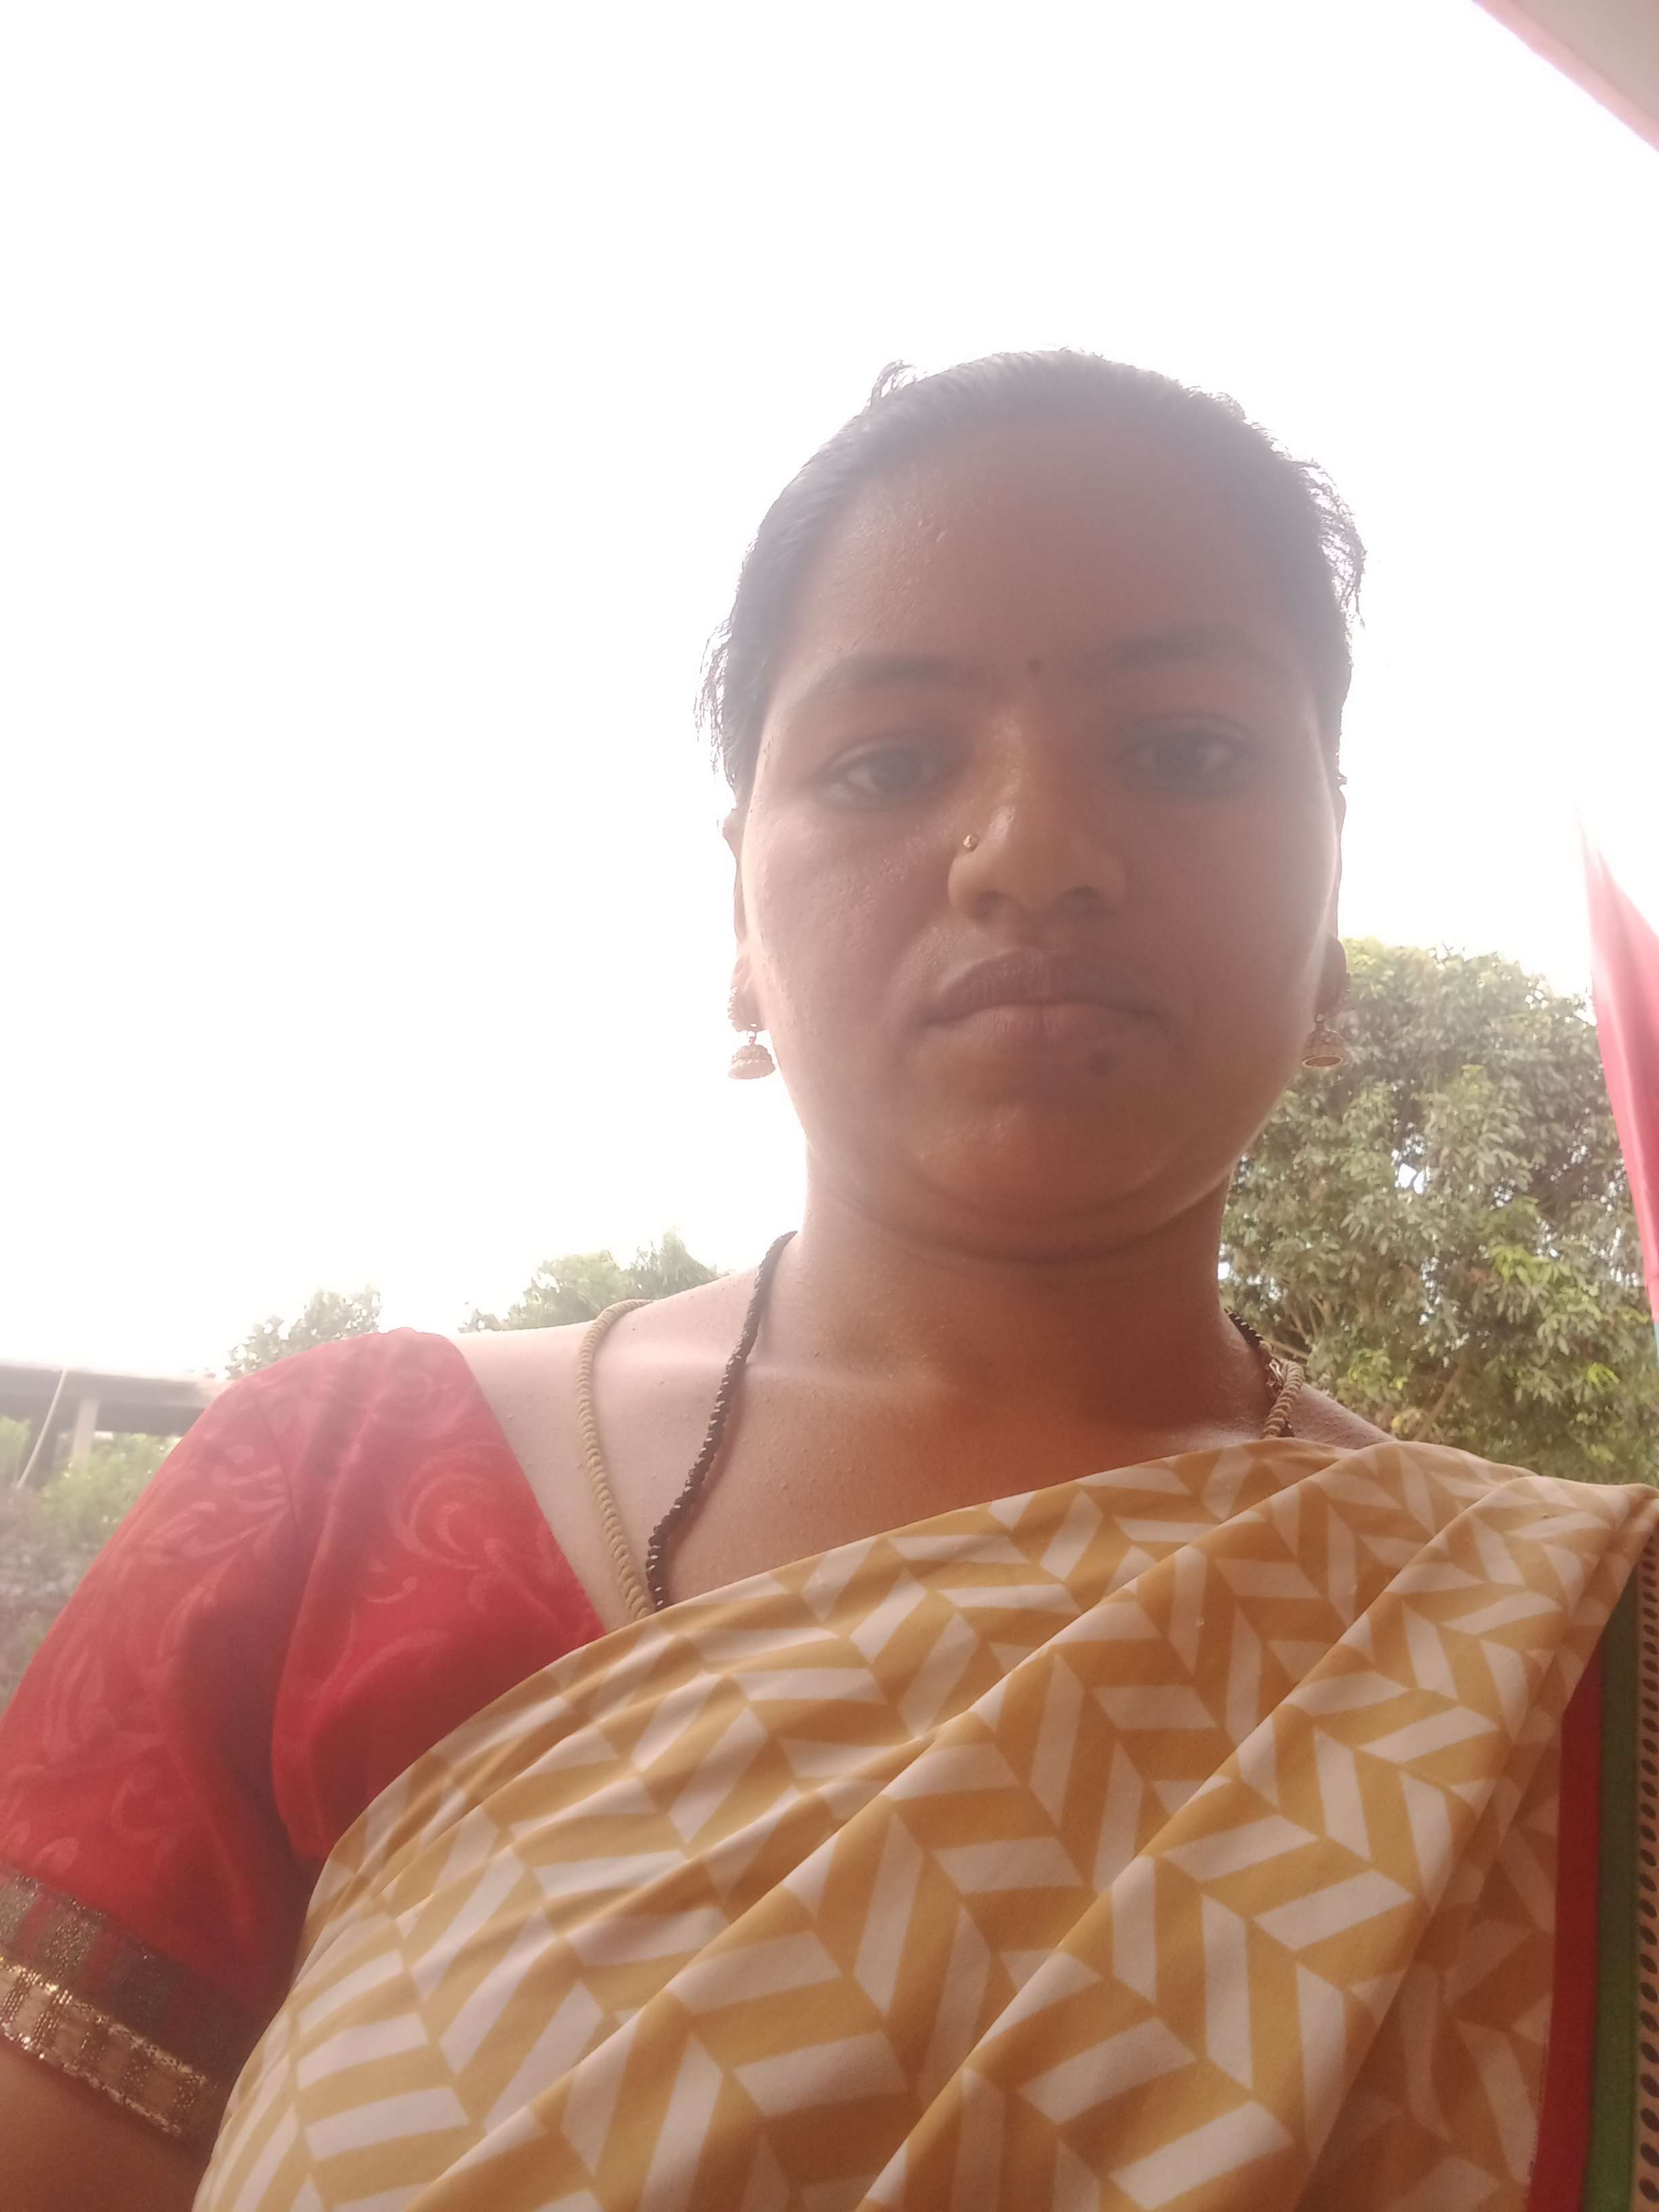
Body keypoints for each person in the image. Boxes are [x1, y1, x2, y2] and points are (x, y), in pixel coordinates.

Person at [2, 352, 1652, 2212]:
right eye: (890, 763)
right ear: (740, 911)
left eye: (1186, 750)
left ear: (1332, 884)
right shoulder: (330, 1501)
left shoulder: (1570, 1674)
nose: (1036, 856)